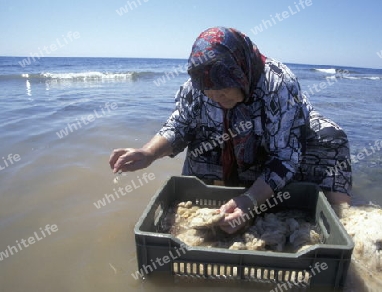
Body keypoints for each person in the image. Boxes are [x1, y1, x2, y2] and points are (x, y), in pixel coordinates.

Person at [109, 27, 352, 234]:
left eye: (223, 92)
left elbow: (285, 156)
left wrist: (250, 201)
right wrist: (148, 153)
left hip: (281, 139)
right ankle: (219, 201)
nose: (217, 99)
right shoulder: (200, 83)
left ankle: (339, 221)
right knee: (201, 134)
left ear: (241, 74)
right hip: (229, 138)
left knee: (331, 137)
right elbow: (180, 125)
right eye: (210, 94)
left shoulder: (278, 84)